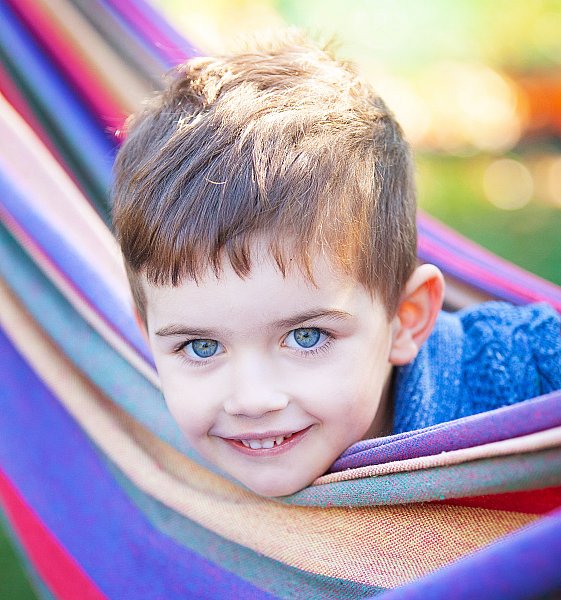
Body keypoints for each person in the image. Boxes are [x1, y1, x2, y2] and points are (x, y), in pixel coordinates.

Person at [111, 32, 561, 497]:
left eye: (306, 337)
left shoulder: (518, 368)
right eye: (201, 347)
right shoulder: (158, 469)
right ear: (148, 335)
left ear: (406, 320)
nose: (253, 400)